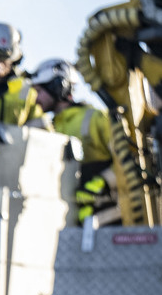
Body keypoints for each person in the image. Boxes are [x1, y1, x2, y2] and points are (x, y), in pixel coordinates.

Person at [30, 58, 118, 224]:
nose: (35, 99)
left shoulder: (97, 118)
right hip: (68, 226)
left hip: (107, 223)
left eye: (39, 91)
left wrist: (103, 182)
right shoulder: (51, 128)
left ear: (59, 86)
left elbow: (127, 161)